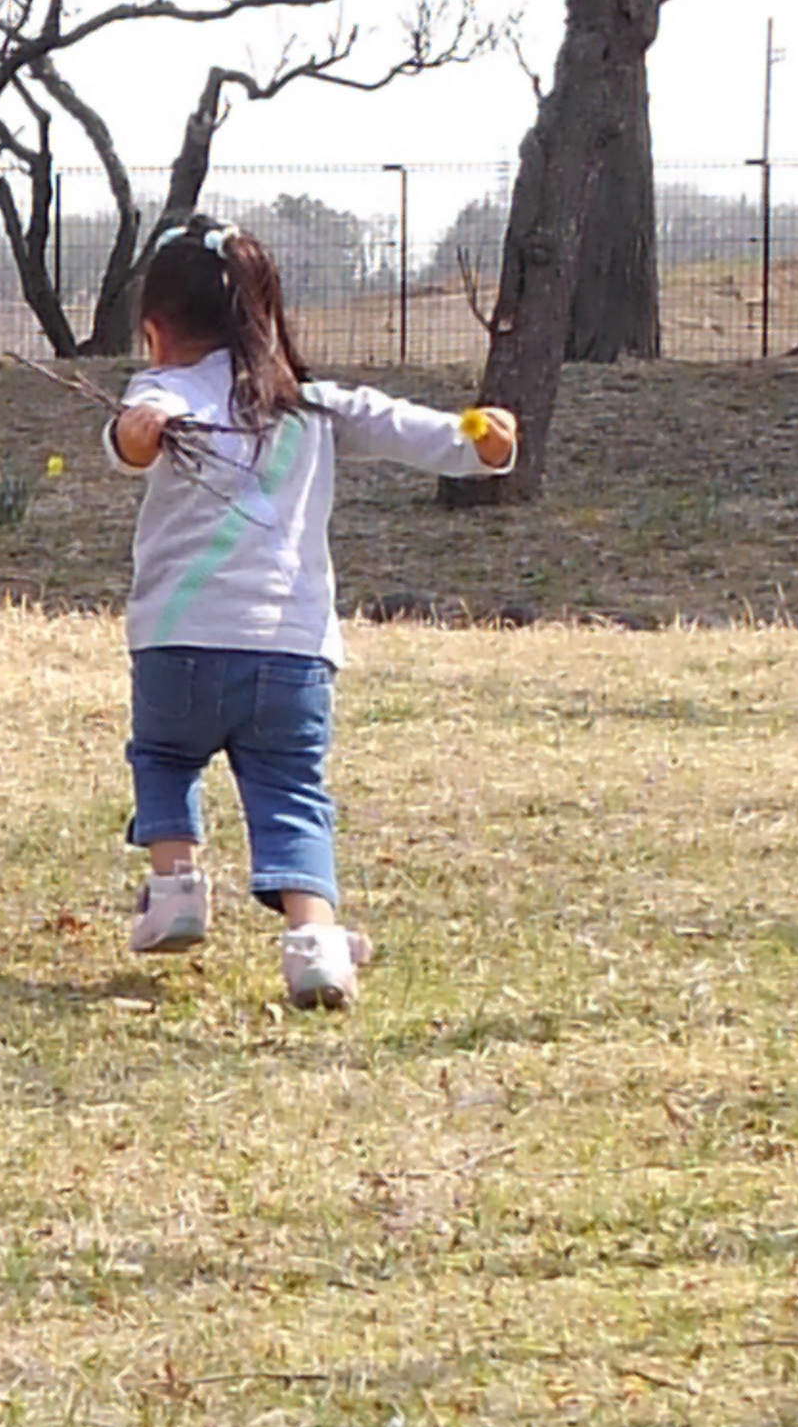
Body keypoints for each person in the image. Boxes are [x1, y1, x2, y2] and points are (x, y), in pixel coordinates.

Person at [106, 215, 517, 1009]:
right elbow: (423, 431)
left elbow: (130, 438)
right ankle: (317, 946)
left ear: (153, 331)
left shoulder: (163, 390)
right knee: (293, 789)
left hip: (176, 643)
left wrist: (136, 434)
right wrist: (483, 438)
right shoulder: (316, 406)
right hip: (291, 654)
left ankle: (176, 892)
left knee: (163, 758)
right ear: (265, 315)